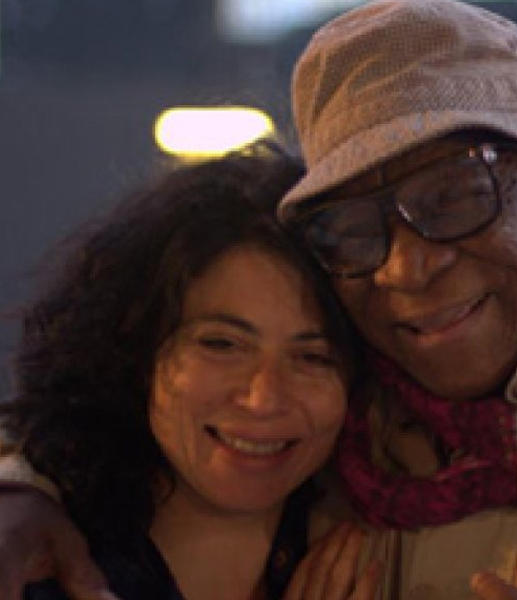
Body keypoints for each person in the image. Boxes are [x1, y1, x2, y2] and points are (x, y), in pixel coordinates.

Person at [0, 0, 517, 598]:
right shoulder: (336, 428)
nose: (406, 269)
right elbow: (94, 429)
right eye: (353, 229)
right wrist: (21, 488)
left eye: (456, 195)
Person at [0, 148, 381, 600]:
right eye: (221, 345)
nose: (264, 398)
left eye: (313, 357)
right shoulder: (33, 567)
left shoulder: (388, 550)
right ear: (135, 347)